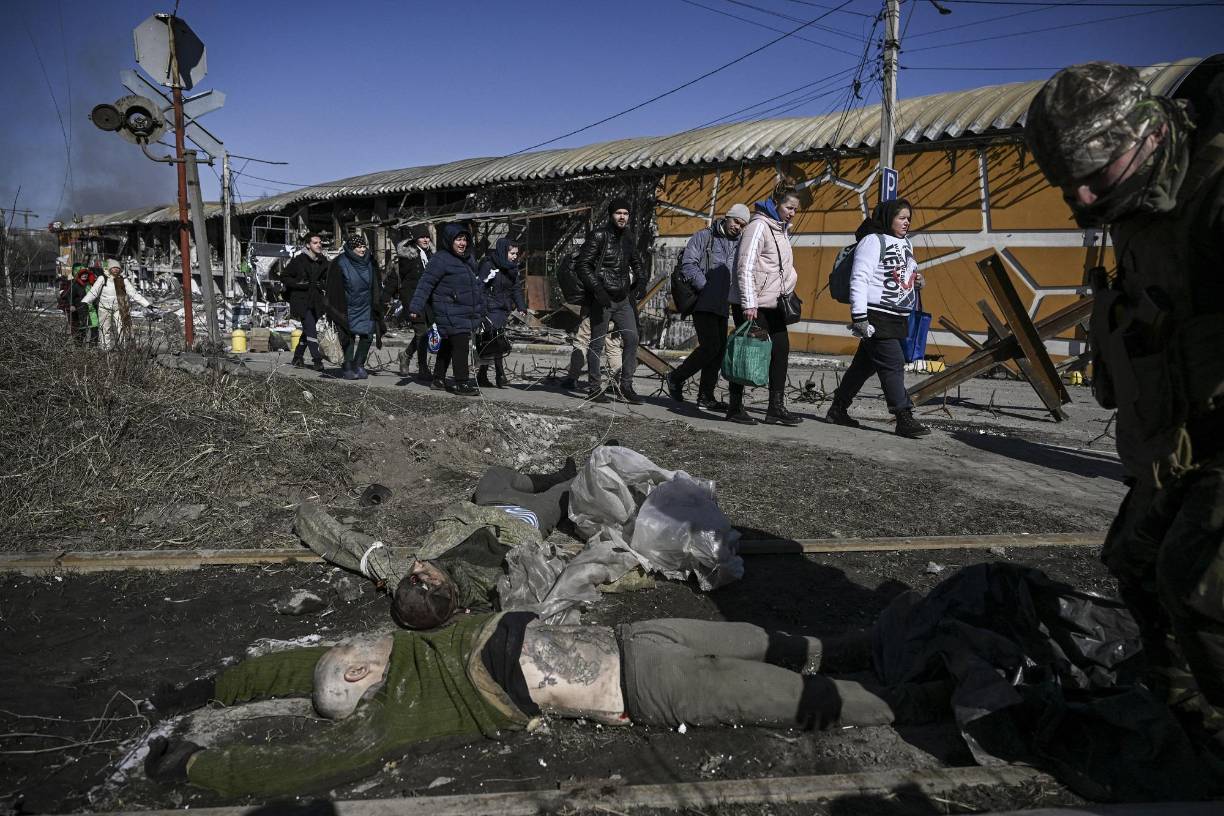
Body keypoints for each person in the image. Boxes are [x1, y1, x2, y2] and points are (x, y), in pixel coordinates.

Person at [144, 610, 947, 799]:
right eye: (352, 654)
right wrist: (198, 765)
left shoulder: (419, 637)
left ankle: (867, 647)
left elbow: (287, 668)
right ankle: (921, 700)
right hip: (649, 688)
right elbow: (321, 759)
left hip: (645, 632)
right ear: (356, 680)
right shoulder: (411, 705)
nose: (362, 640)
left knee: (777, 641)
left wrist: (202, 692)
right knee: (801, 701)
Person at [1025, 62, 1224, 743]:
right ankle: (1188, 724)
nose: (1078, 195)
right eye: (1064, 179)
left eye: (1093, 172)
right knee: (1137, 568)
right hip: (1176, 437)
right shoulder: (1131, 196)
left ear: (1144, 136)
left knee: (1199, 589)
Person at [295, 458, 578, 631]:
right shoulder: (500, 587)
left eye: (412, 574)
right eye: (423, 574)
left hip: (485, 504)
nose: (416, 565)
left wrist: (304, 515)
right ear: (441, 587)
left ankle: (550, 478)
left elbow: (350, 547)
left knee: (495, 475)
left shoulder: (407, 580)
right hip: (528, 517)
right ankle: (574, 476)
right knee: (568, 492)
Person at [826, 199, 930, 439]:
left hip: (898, 316)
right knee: (893, 362)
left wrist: (918, 281)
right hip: (876, 313)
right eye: (901, 217)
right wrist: (859, 317)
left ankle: (837, 409)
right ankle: (903, 417)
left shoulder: (906, 243)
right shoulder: (872, 241)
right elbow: (860, 278)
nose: (907, 222)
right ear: (887, 217)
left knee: (863, 366)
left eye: (908, 217)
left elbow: (904, 274)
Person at [727, 181, 803, 426]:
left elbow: (779, 267)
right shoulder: (759, 226)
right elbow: (745, 266)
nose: (792, 213)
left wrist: (790, 282)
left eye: (795, 209)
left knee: (780, 351)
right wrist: (749, 303)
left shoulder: (781, 230)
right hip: (753, 306)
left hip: (774, 305)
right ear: (777, 204)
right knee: (747, 351)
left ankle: (775, 408)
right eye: (789, 207)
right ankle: (735, 407)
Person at [665, 203, 749, 412]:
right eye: (736, 222)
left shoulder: (740, 243)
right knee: (711, 346)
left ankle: (706, 396)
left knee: (719, 350)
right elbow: (688, 264)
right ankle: (676, 377)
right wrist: (706, 287)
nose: (737, 227)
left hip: (723, 303)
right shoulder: (705, 236)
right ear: (727, 217)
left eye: (742, 225)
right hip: (703, 301)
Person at [574, 199, 646, 405]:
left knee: (632, 339)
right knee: (597, 343)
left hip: (623, 299)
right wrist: (597, 289)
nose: (622, 217)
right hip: (602, 299)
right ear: (611, 215)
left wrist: (641, 282)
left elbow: (637, 262)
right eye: (618, 213)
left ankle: (626, 385)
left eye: (625, 213)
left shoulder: (629, 237)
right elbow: (583, 265)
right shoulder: (599, 235)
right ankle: (595, 388)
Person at [409, 223, 485, 397]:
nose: (462, 243)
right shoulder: (440, 259)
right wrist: (416, 306)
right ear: (450, 240)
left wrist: (481, 306)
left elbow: (475, 285)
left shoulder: (468, 258)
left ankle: (438, 378)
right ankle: (461, 382)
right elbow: (425, 284)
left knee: (449, 343)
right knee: (460, 343)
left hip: (465, 310)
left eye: (465, 239)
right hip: (448, 308)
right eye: (458, 239)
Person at [325, 233, 385, 381]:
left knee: (368, 335)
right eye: (358, 246)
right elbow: (333, 288)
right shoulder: (340, 262)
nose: (362, 249)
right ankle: (347, 366)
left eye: (363, 246)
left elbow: (376, 282)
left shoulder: (370, 261)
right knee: (349, 336)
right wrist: (333, 309)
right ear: (351, 248)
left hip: (367, 306)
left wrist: (379, 301)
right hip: (348, 307)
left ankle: (359, 364)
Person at [476, 236, 526, 388]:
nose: (515, 256)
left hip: (503, 309)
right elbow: (480, 288)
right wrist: (482, 309)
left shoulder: (512, 268)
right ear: (503, 252)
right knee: (496, 340)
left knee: (491, 343)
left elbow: (516, 288)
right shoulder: (489, 265)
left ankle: (482, 374)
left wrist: (521, 306)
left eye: (516, 254)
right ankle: (500, 374)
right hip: (491, 309)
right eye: (512, 253)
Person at [81, 258, 152, 350]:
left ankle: (123, 348)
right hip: (104, 308)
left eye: (117, 268)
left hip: (120, 307)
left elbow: (133, 293)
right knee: (104, 329)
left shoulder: (122, 279)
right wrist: (85, 301)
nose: (115, 269)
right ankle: (105, 349)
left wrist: (146, 304)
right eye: (113, 267)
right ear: (109, 268)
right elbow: (93, 292)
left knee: (123, 328)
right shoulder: (103, 278)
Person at [283, 232, 328, 371]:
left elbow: (328, 279)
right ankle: (317, 359)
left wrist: (323, 286)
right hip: (301, 300)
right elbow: (284, 277)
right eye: (315, 243)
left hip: (316, 301)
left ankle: (297, 357)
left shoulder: (323, 261)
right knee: (311, 329)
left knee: (308, 330)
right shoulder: (299, 261)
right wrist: (299, 284)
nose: (319, 245)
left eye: (320, 242)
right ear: (308, 245)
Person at [396, 225, 434, 380]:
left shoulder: (431, 255)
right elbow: (403, 279)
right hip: (413, 299)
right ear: (415, 239)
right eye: (422, 237)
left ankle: (405, 354)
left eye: (427, 237)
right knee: (421, 332)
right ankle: (423, 368)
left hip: (428, 300)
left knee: (425, 332)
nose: (425, 240)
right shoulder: (408, 256)